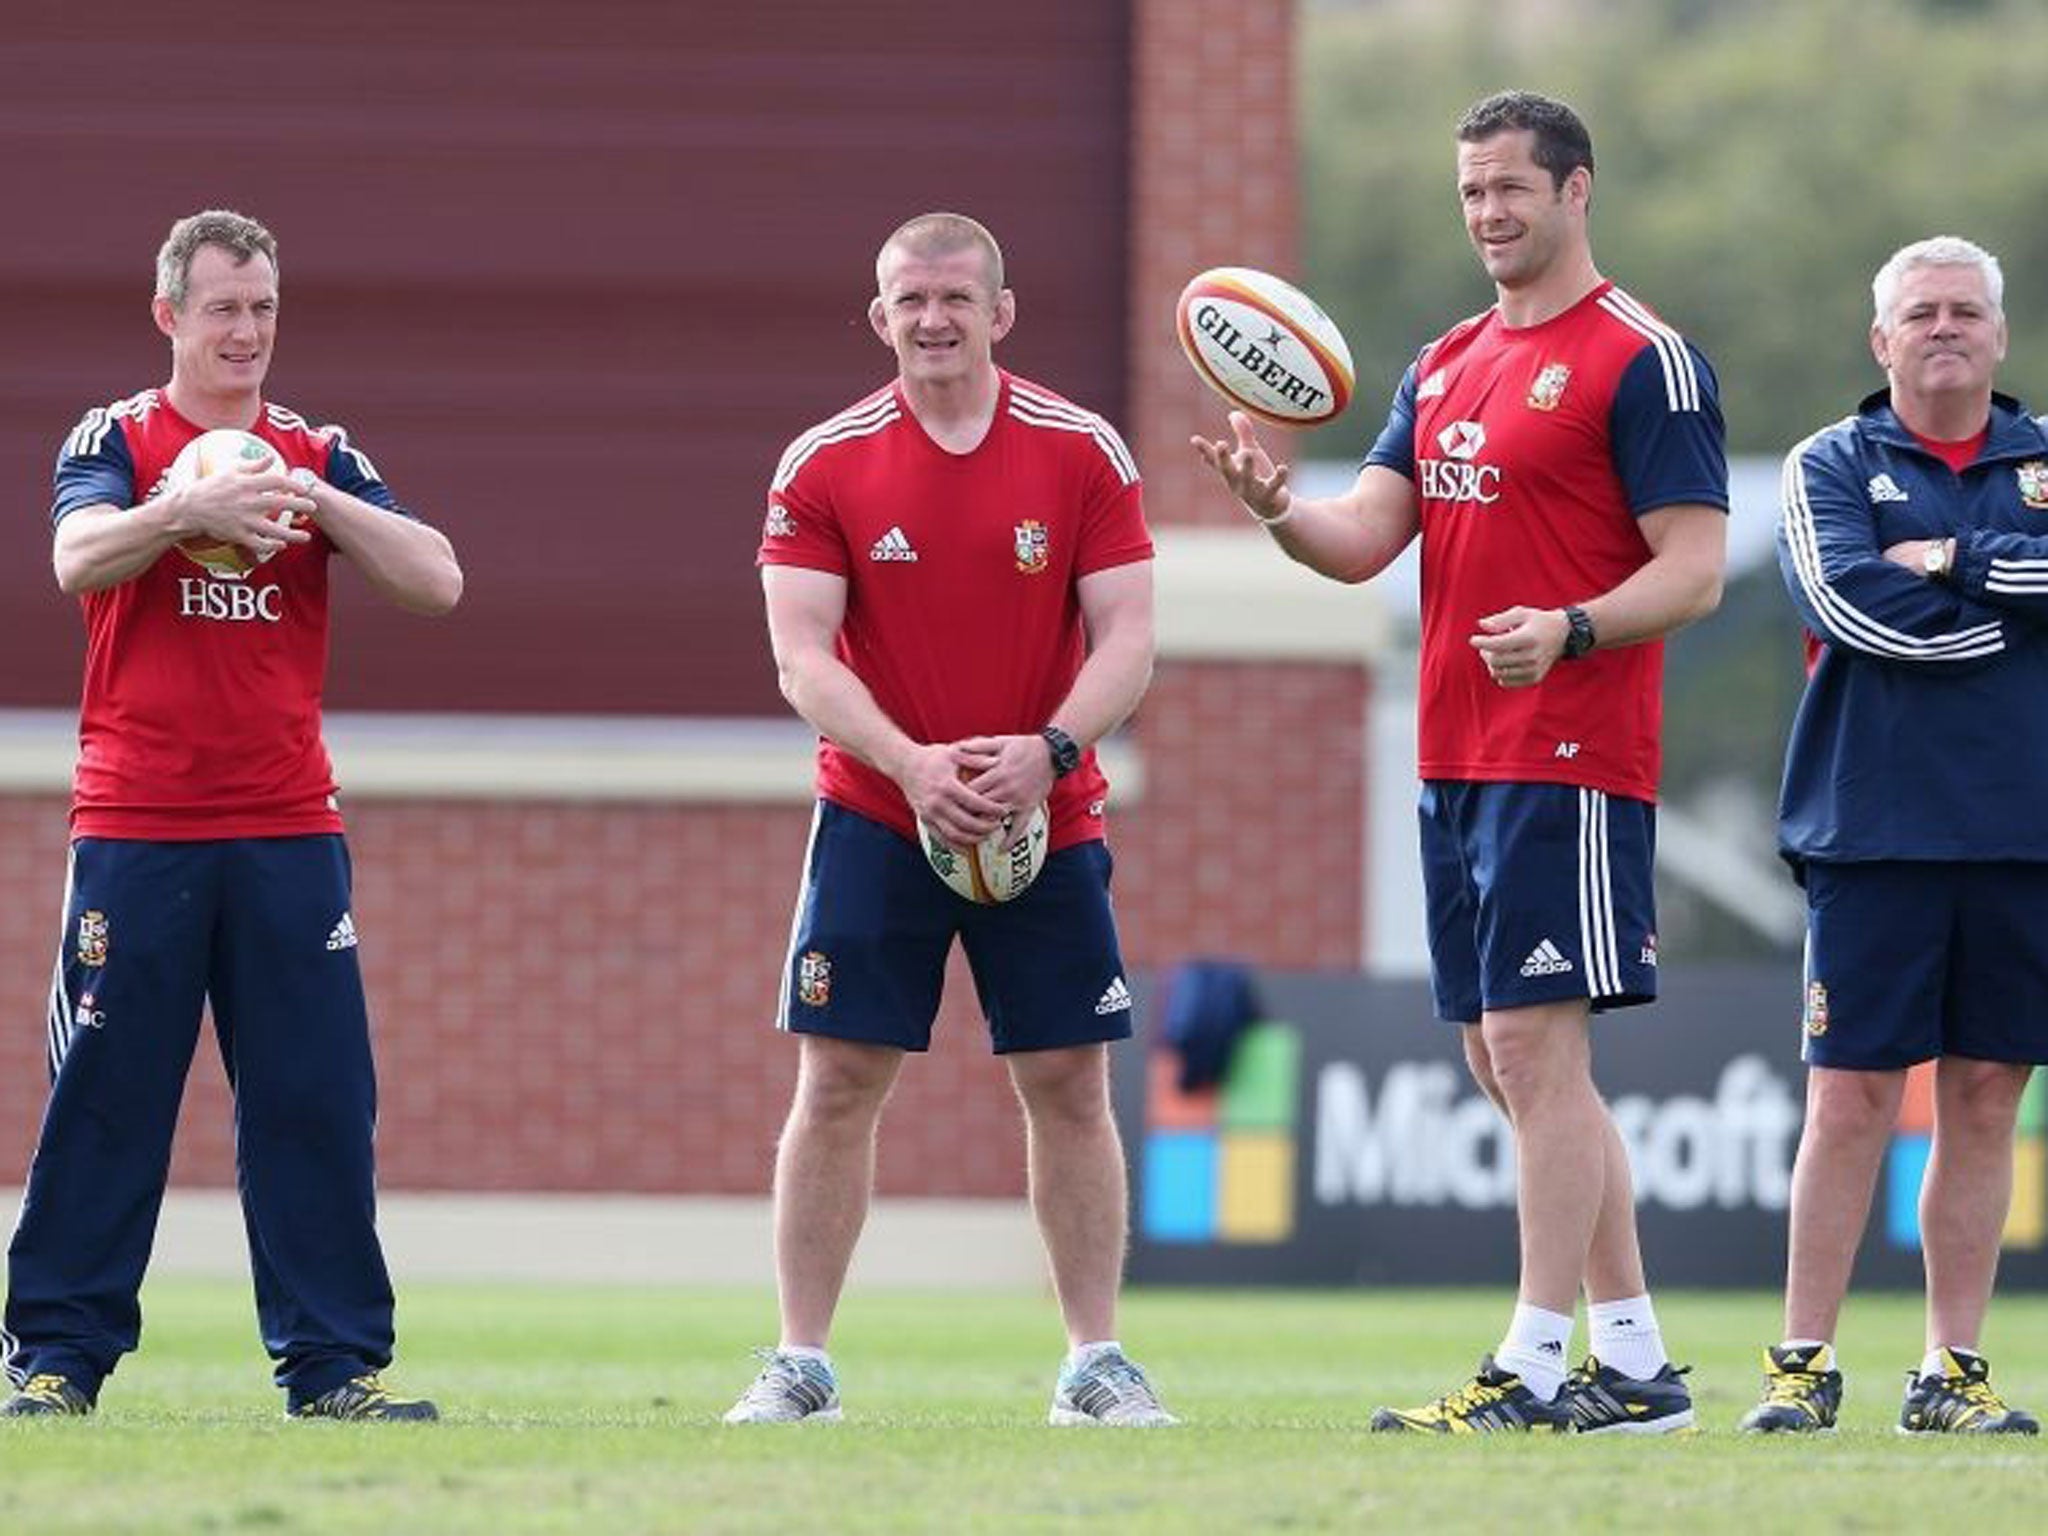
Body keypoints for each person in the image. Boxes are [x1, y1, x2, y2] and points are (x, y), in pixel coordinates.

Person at [1195, 91, 1727, 1434]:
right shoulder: (1444, 360)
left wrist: (1570, 629)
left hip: (1573, 752)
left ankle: (1537, 1368)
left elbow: (1699, 570)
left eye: (1512, 189)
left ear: (1576, 190)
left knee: (1533, 1058)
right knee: (1511, 1068)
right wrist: (1276, 512)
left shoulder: (1643, 359)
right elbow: (1367, 537)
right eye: (1472, 193)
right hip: (1456, 759)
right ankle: (1638, 1364)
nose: (1490, 213)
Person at [1, 210, 462, 1420]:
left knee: (313, 1101)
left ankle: (332, 1371)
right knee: (108, 1098)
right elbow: (75, 558)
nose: (246, 331)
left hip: (286, 828)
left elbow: (437, 579)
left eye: (262, 308)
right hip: (140, 824)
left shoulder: (317, 448)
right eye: (222, 309)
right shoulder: (118, 437)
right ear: (169, 317)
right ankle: (55, 1360)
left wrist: (314, 499)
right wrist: (180, 516)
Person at [728, 211, 1171, 1427]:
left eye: (954, 299)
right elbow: (800, 658)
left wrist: (1050, 752)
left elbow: (1129, 635)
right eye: (908, 301)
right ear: (879, 319)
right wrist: (911, 764)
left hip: (1049, 815)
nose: (932, 319)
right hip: (878, 811)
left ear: (999, 312)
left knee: (1068, 1080)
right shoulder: (823, 462)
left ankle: (1093, 1363)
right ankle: (799, 1363)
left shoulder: (1081, 451)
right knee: (837, 1079)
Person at [1741, 236, 2042, 1436]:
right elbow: (1849, 606)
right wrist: (2009, 620)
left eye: (1965, 310)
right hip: (1871, 831)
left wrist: (1956, 558)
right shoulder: (1828, 461)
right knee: (1850, 1099)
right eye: (1918, 312)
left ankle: (1948, 1372)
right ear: (1880, 341)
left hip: (2022, 833)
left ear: (1999, 335)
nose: (1943, 327)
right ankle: (1801, 1366)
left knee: (1982, 1099)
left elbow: (1914, 591)